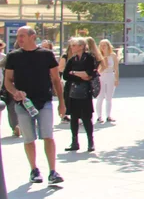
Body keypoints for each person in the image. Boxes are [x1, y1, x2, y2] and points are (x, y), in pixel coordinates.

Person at [4, 27, 65, 184]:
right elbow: (8, 81)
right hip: (22, 104)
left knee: (48, 136)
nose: (19, 39)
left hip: (44, 102)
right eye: (18, 36)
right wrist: (15, 92)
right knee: (29, 139)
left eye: (22, 35)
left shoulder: (46, 55)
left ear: (33, 37)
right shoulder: (13, 56)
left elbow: (56, 79)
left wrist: (62, 104)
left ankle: (53, 171)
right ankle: (34, 170)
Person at [63, 37, 99, 152]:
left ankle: (90, 142)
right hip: (73, 91)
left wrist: (74, 73)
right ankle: (74, 142)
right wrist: (80, 74)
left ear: (81, 46)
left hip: (85, 91)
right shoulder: (72, 60)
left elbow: (89, 74)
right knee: (74, 118)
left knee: (86, 117)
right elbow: (65, 75)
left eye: (74, 45)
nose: (72, 47)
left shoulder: (89, 58)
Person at [95, 39, 119, 124]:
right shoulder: (98, 55)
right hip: (101, 77)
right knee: (100, 97)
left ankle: (108, 116)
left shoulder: (113, 55)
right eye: (101, 45)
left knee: (109, 97)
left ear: (108, 46)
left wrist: (116, 79)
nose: (102, 47)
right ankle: (99, 116)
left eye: (104, 45)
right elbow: (97, 70)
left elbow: (116, 68)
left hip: (110, 76)